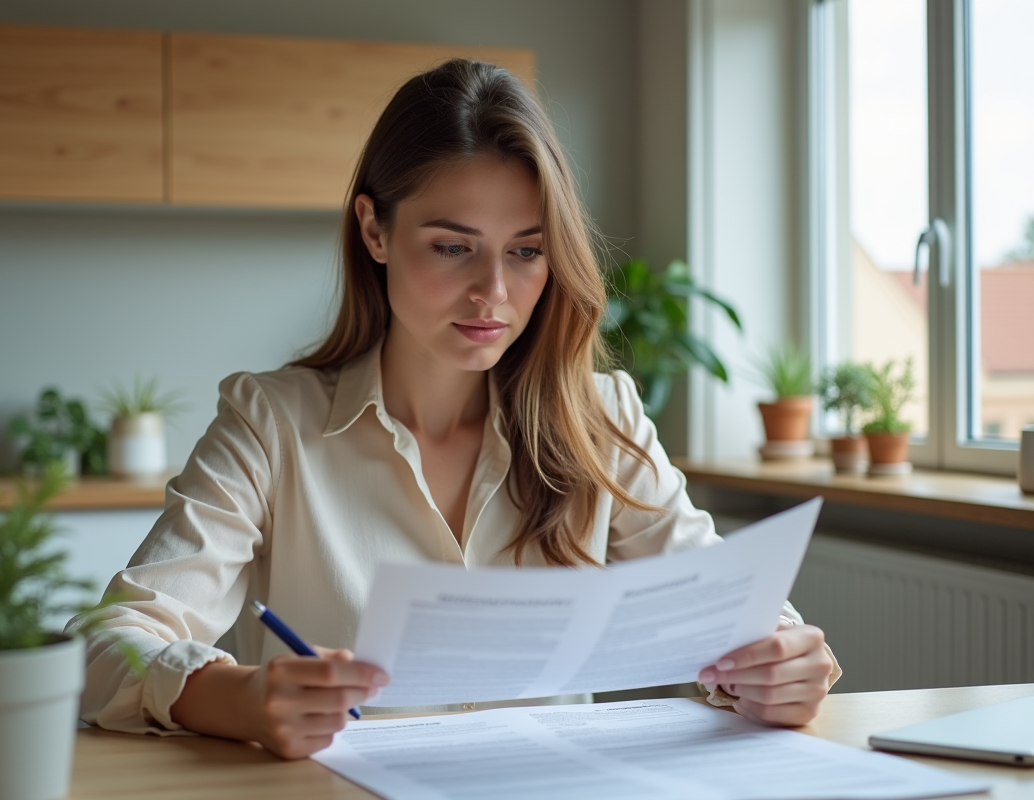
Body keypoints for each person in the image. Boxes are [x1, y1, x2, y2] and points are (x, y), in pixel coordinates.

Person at [68, 58, 840, 760]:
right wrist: (237, 697)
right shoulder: (272, 424)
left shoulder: (601, 419)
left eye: (526, 250)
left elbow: (731, 610)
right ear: (375, 229)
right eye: (451, 246)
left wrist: (781, 660)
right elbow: (106, 646)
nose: (493, 295)